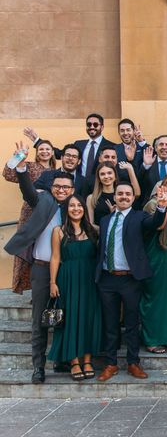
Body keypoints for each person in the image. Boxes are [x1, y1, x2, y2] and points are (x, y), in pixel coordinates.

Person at [4, 143, 76, 384]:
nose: (62, 190)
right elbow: (28, 191)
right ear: (52, 187)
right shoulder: (43, 201)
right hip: (42, 269)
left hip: (68, 271)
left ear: (72, 189)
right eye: (58, 186)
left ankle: (62, 359)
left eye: (66, 187)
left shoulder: (76, 210)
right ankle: (38, 366)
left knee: (66, 316)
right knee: (40, 319)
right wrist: (22, 168)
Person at [95, 182, 167, 382]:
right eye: (120, 194)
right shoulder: (105, 219)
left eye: (128, 194)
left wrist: (162, 207)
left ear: (133, 197)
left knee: (131, 323)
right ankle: (110, 364)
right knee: (110, 324)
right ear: (115, 196)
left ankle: (133, 363)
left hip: (130, 279)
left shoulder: (139, 217)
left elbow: (154, 224)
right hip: (107, 278)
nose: (124, 197)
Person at [48, 195, 101, 380]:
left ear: (84, 209)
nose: (76, 208)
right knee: (70, 319)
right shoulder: (59, 231)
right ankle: (73, 362)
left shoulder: (95, 230)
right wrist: (52, 282)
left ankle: (87, 360)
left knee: (89, 318)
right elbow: (55, 258)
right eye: (72, 205)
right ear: (67, 209)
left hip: (90, 280)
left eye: (79, 205)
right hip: (68, 279)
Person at [3, 138, 57, 294]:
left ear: (53, 152)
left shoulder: (58, 171)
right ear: (37, 153)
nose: (45, 151)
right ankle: (33, 289)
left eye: (48, 149)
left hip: (49, 215)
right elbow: (7, 173)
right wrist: (18, 158)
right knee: (27, 249)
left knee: (45, 249)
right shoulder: (29, 166)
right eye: (41, 149)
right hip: (30, 212)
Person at [139, 176, 167, 353]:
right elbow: (158, 226)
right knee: (153, 298)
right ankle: (151, 339)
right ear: (161, 187)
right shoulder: (153, 204)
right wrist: (164, 205)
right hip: (156, 254)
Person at [25, 114, 116, 178]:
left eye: (95, 124)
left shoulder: (111, 146)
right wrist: (38, 141)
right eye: (89, 124)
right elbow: (60, 153)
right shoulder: (79, 144)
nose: (92, 127)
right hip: (78, 186)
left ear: (102, 127)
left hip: (99, 187)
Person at [87, 161, 140, 226]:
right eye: (102, 174)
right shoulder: (91, 198)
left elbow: (137, 194)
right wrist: (105, 230)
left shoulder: (122, 196)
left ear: (115, 176)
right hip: (99, 234)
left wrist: (130, 169)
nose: (106, 176)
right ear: (99, 178)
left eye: (109, 173)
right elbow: (90, 224)